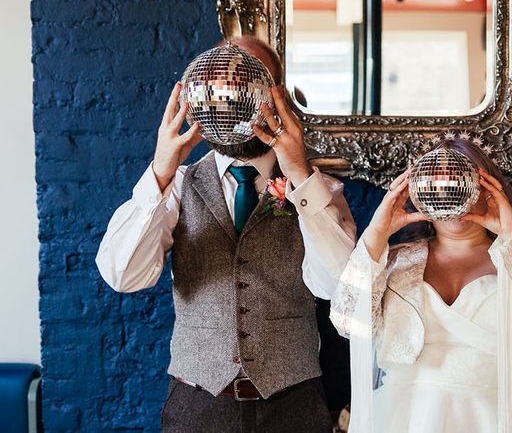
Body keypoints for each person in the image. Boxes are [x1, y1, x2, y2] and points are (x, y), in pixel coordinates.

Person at [96, 36, 356, 433]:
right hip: (197, 406)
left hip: (295, 406)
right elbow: (123, 275)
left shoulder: (322, 191)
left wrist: (300, 175)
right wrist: (160, 172)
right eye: (221, 85)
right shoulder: (177, 185)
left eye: (248, 81)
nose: (234, 97)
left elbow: (340, 286)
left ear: (276, 95)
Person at [330, 139, 512, 433]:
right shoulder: (394, 261)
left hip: (496, 418)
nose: (448, 192)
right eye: (436, 184)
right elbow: (347, 322)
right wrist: (376, 235)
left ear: (487, 188)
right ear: (421, 193)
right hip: (403, 418)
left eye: (460, 182)